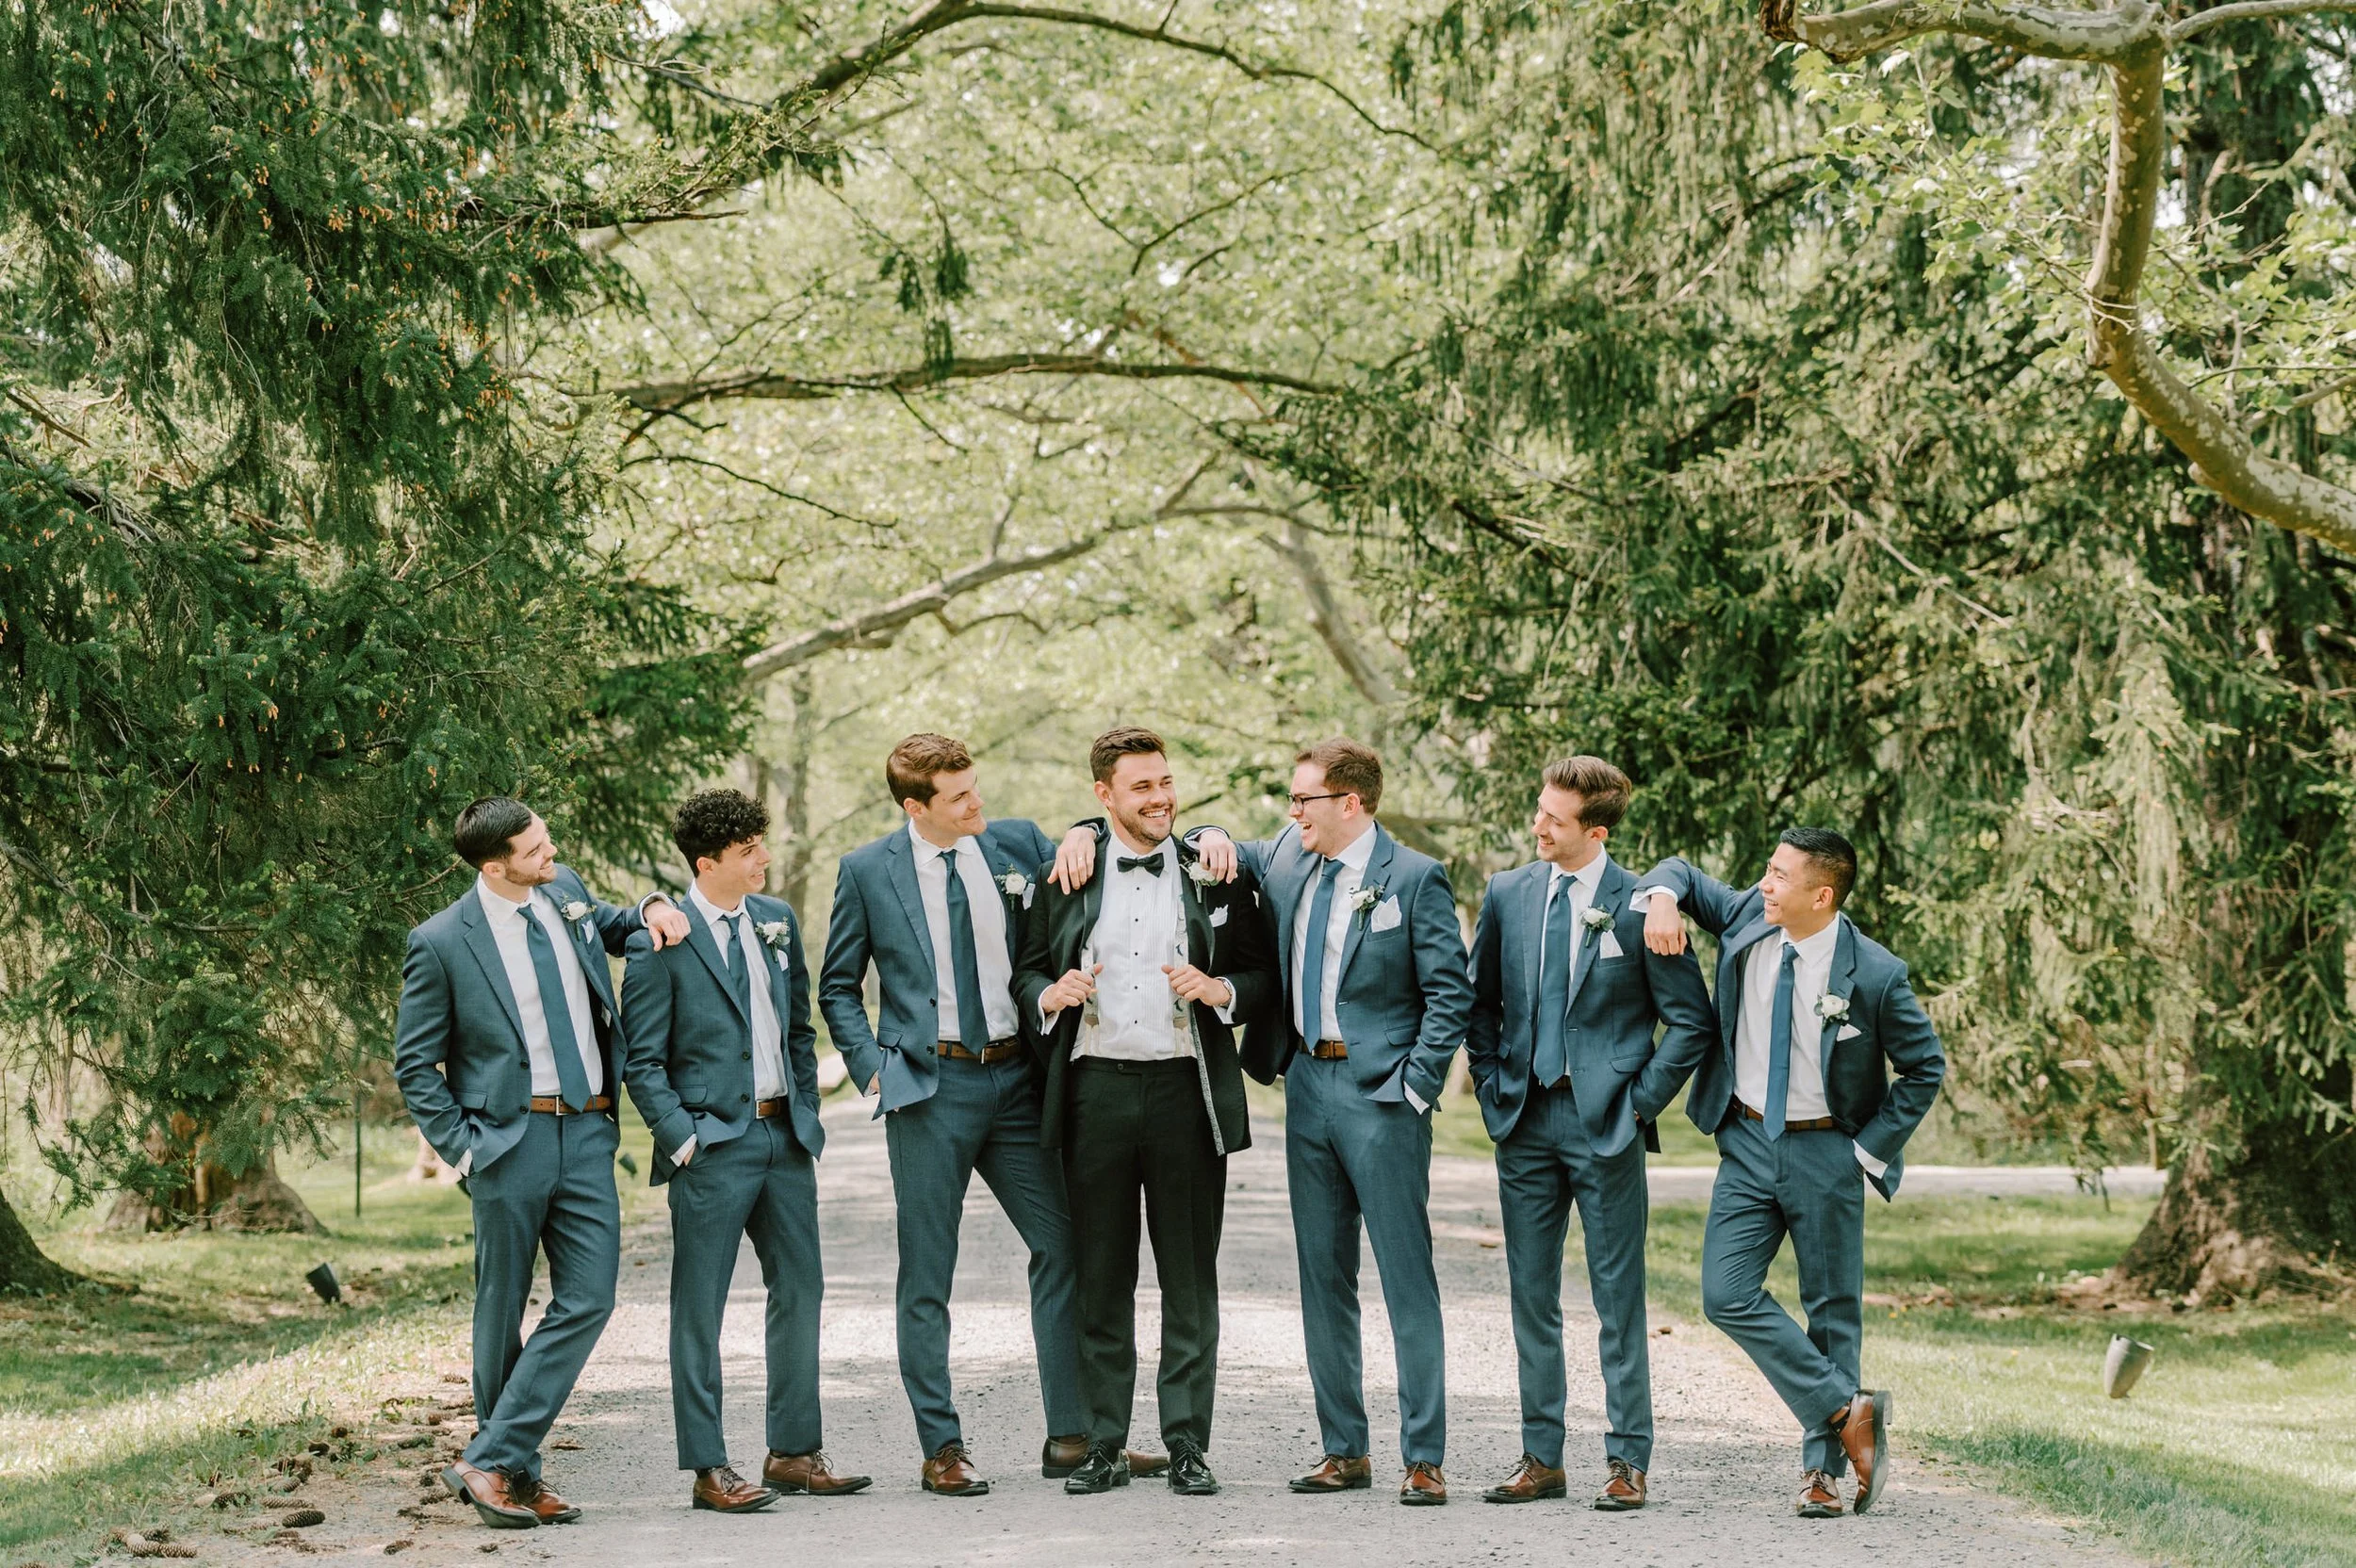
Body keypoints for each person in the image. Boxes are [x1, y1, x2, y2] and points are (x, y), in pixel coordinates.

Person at [1059, 736, 1474, 1504]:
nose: (1290, 812)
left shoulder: (1414, 878)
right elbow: (1211, 846)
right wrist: (1101, 830)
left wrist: (1415, 1087)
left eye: (1303, 799)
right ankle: (1344, 1450)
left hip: (1383, 1098)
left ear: (1349, 804)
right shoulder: (1286, 855)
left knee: (1405, 1279)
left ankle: (1424, 1455)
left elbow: (1451, 994)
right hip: (1308, 1089)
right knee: (1324, 1278)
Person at [818, 733, 1111, 1494]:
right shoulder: (867, 873)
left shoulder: (1013, 844)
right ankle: (942, 1447)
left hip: (1017, 1081)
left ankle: (1072, 1436)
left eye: (976, 787)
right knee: (928, 1274)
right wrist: (875, 1074)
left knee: (1063, 1246)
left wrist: (1085, 828)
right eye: (959, 797)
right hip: (928, 1089)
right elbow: (838, 988)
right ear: (917, 807)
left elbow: (1091, 857)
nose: (978, 802)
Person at [392, 797, 689, 1528]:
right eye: (534, 852)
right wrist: (465, 1148)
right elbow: (415, 1064)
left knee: (590, 1298)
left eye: (547, 843)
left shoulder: (566, 890)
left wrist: (652, 905)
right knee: (502, 1311)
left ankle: (488, 1458)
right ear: (494, 866)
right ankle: (515, 1477)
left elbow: (618, 924)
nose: (549, 856)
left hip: (588, 1133)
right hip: (507, 1141)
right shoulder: (440, 943)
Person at [1636, 829, 1946, 1518]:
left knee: (1832, 1310)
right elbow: (1680, 870)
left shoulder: (1874, 973)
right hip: (1745, 1138)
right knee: (1725, 1294)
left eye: (1779, 876)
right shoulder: (1751, 914)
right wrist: (1660, 897)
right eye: (1766, 870)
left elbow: (1926, 1069)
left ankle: (1822, 1475)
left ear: (1822, 894)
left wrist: (1865, 1152)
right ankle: (1847, 1409)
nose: (1764, 884)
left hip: (1826, 1150)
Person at [1015, 727, 1279, 1498]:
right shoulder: (1067, 872)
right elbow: (1028, 968)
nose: (1161, 798)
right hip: (1094, 1090)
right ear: (1104, 796)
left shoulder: (1213, 872)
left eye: (1165, 782)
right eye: (1141, 787)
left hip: (1183, 1093)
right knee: (1102, 1277)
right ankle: (1105, 1444)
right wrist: (1048, 994)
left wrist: (1222, 992)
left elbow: (1261, 974)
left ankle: (1188, 1443)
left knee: (1189, 1279)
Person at [1464, 757, 1715, 1511]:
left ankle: (1626, 1461)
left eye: (1555, 819)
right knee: (1530, 1295)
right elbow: (1479, 1004)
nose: (1537, 826)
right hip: (1523, 1119)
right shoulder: (1508, 893)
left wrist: (1639, 1104)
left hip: (1607, 1123)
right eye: (1538, 809)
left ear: (1595, 831)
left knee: (1617, 1297)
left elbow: (1691, 1021)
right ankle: (1541, 1457)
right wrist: (1488, 1082)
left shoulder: (1641, 903)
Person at [620, 788, 866, 1513]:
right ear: (708, 862)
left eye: (762, 842)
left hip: (781, 1135)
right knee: (700, 1307)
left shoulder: (777, 920)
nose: (765, 856)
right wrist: (684, 1139)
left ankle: (793, 1451)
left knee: (801, 1290)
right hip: (711, 1147)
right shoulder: (658, 941)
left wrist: (805, 1112)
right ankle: (707, 1467)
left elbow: (798, 1028)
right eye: (749, 849)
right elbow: (643, 1063)